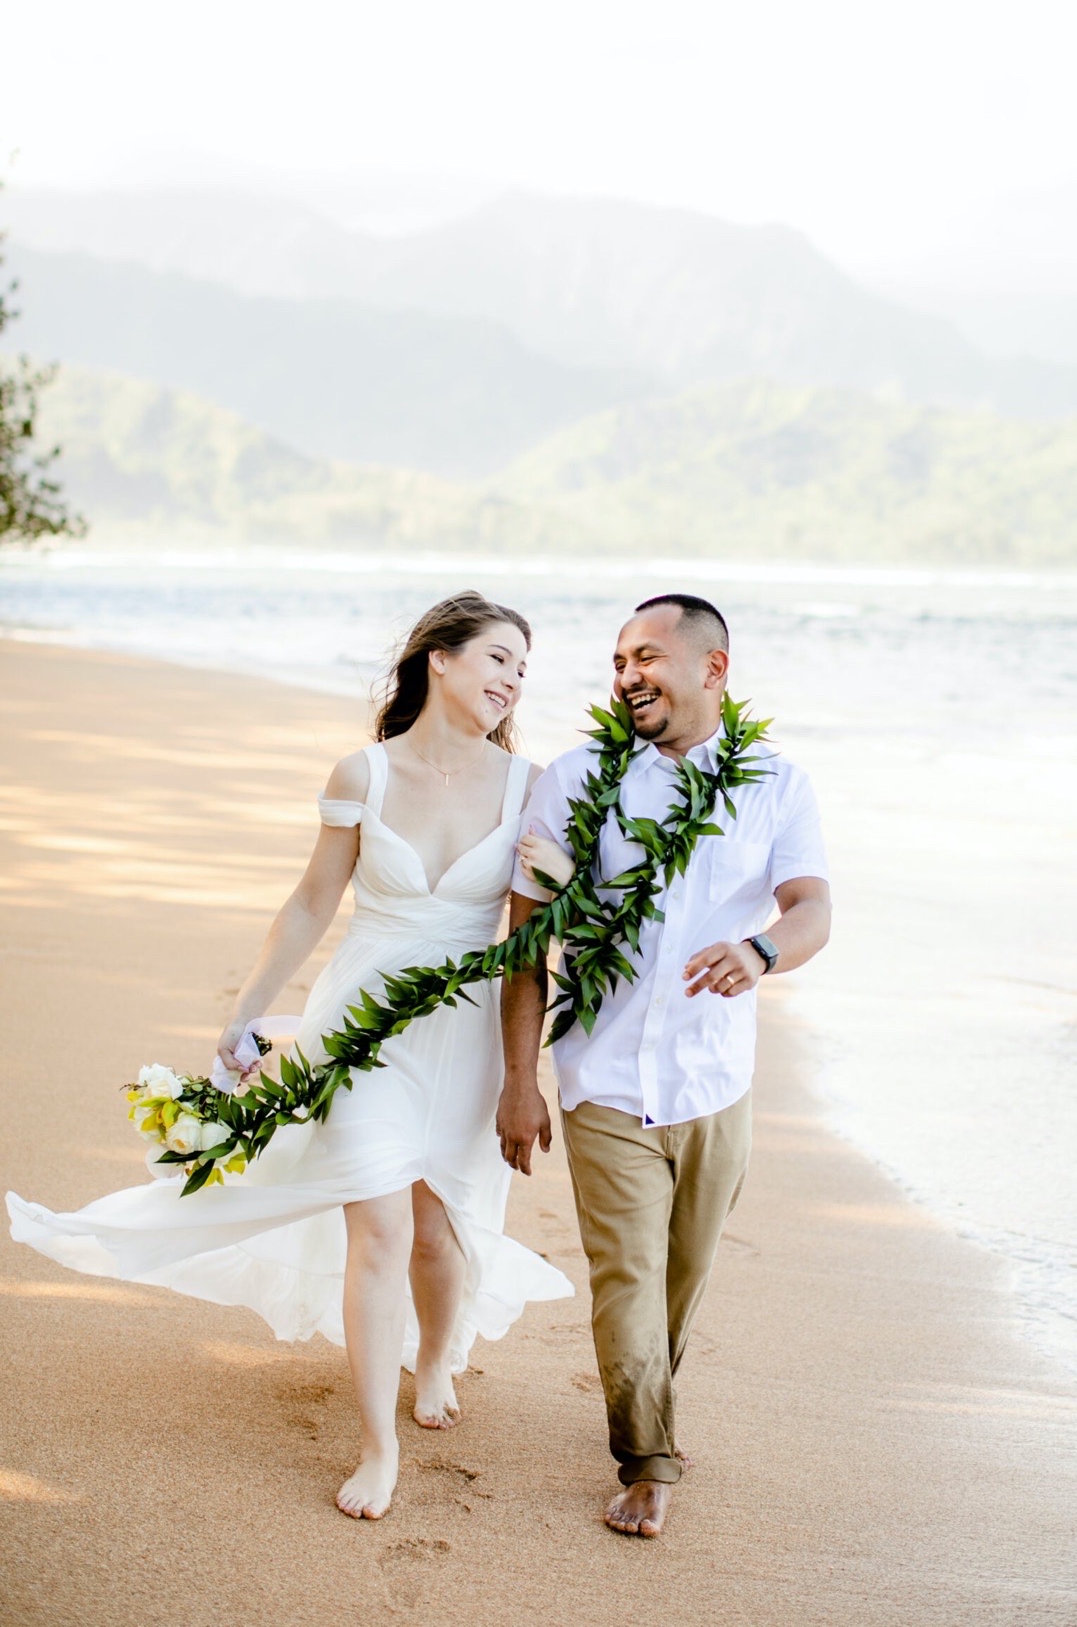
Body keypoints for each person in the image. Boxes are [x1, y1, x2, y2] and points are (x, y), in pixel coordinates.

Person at [8, 591, 574, 1523]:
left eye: (524, 668)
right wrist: (247, 1015)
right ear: (440, 658)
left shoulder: (531, 787)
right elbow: (313, 902)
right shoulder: (365, 772)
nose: (513, 681)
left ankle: (435, 1355)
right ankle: (378, 1444)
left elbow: (532, 941)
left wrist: (526, 1075)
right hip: (361, 1030)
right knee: (381, 1227)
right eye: (499, 658)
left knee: (438, 1230)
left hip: (462, 1032)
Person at [497, 593, 831, 1538]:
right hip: (602, 1078)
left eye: (646, 656)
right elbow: (525, 944)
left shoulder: (775, 782)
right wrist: (520, 1081)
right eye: (616, 661)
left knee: (681, 1277)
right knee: (628, 1278)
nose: (627, 676)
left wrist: (762, 952)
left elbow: (813, 907)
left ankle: (647, 1398)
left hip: (716, 1083)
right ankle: (647, 1460)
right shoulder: (574, 780)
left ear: (713, 669)